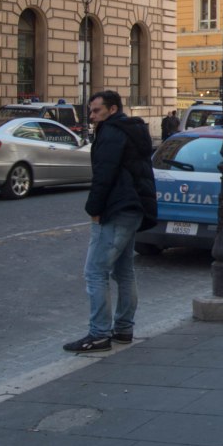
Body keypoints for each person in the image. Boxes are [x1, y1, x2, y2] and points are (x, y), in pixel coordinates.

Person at [64, 90, 155, 353]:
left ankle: (99, 334)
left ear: (112, 109)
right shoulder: (132, 130)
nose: (91, 116)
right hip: (133, 206)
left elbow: (104, 174)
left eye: (96, 111)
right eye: (90, 111)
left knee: (95, 272)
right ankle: (124, 329)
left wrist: (94, 208)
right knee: (124, 272)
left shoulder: (112, 133)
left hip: (116, 208)